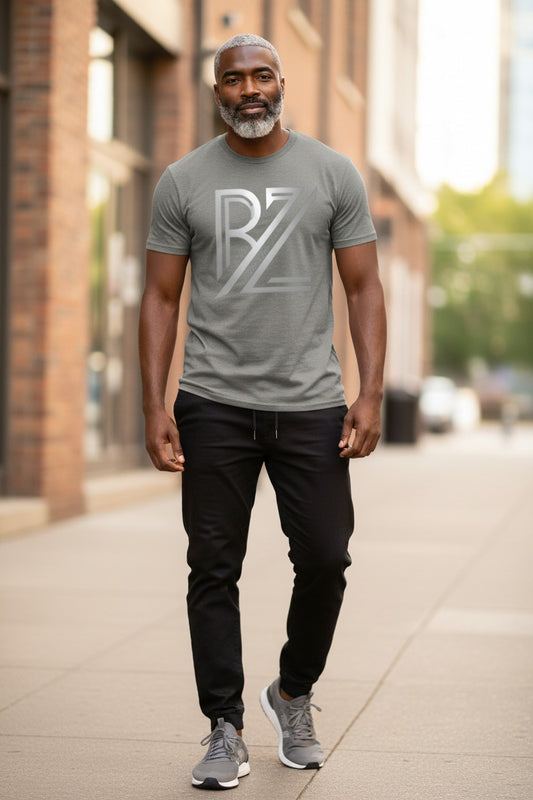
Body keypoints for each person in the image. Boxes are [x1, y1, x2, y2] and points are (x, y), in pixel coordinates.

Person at [139, 33, 386, 791]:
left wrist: (370, 389)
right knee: (211, 568)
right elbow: (159, 297)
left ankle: (291, 692)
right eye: (233, 78)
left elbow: (364, 288)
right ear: (215, 91)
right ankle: (222, 727)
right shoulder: (182, 181)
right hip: (213, 403)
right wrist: (153, 404)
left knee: (325, 559)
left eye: (261, 75)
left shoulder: (331, 173)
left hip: (311, 403)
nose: (249, 88)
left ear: (282, 83)